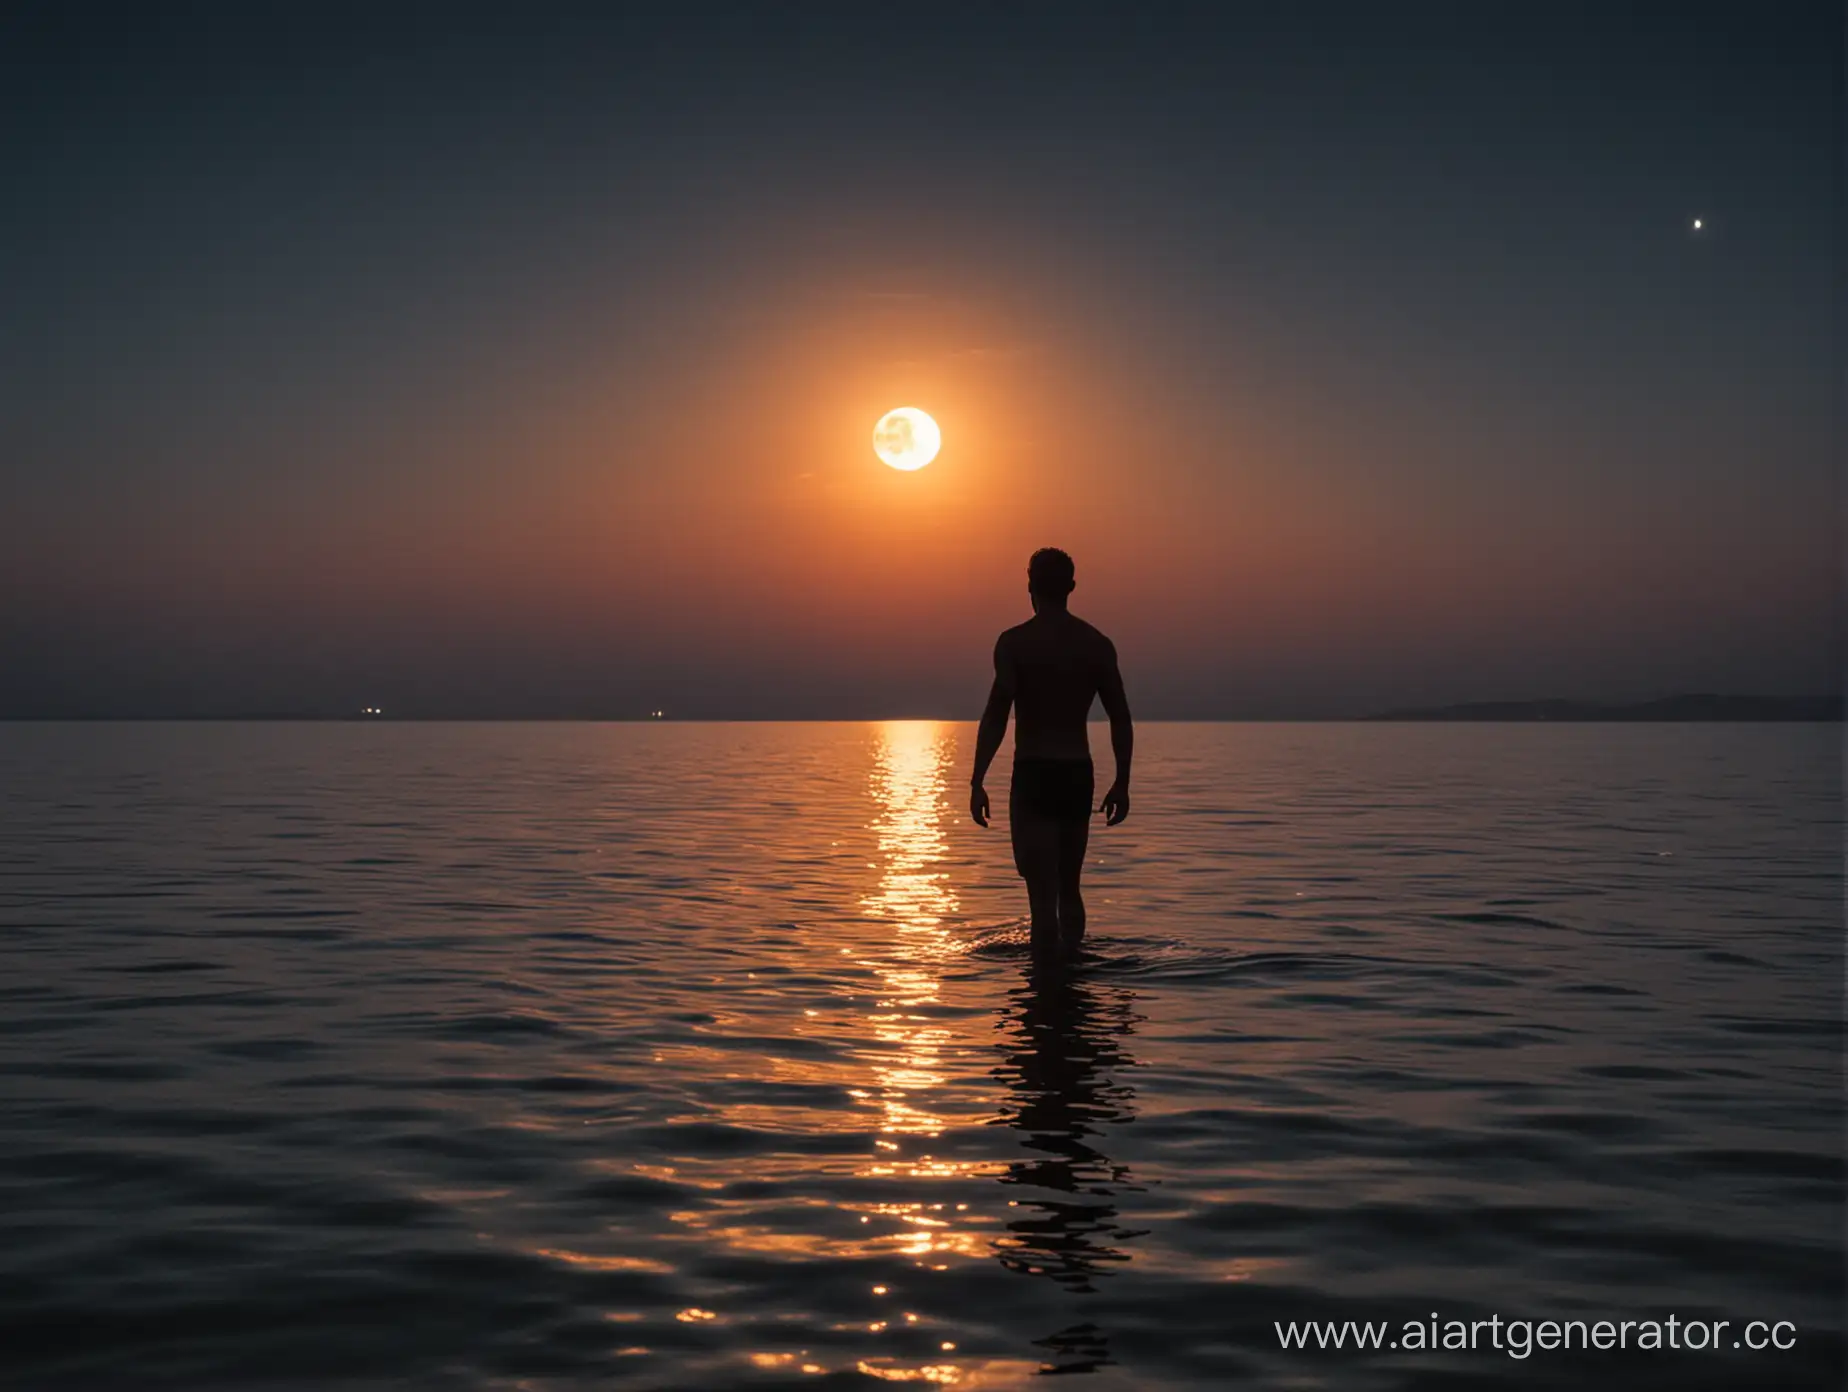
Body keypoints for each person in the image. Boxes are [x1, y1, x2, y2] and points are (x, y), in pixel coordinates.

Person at [970, 548, 1133, 965]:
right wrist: (1122, 783)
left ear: (1030, 586)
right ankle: (1072, 974)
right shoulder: (1096, 644)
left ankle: (1047, 992)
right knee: (1069, 886)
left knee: (1041, 897)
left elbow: (995, 715)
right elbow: (1120, 717)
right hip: (1078, 774)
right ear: (1071, 588)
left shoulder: (1015, 643)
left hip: (1035, 774)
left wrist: (977, 780)